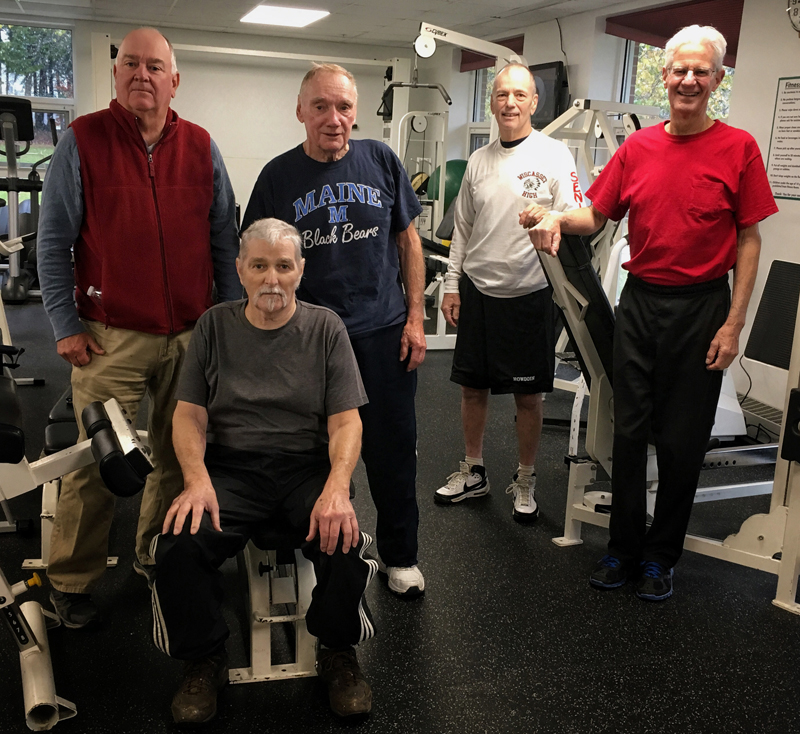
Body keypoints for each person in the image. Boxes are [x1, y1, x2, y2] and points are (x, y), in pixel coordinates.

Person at [525, 25, 778, 601]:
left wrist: (734, 322)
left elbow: (749, 239)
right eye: (678, 70)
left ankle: (662, 557)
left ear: (717, 79)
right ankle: (623, 549)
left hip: (702, 308)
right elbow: (595, 216)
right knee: (628, 431)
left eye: (701, 71)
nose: (688, 80)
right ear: (664, 76)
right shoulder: (637, 149)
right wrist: (554, 217)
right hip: (639, 302)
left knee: (683, 440)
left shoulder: (738, 148)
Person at [37, 27, 240, 627]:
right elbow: (53, 243)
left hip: (191, 331)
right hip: (110, 335)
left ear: (174, 80)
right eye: (131, 64)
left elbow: (224, 237)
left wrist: (227, 321)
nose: (142, 75)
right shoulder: (82, 141)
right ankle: (72, 578)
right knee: (96, 462)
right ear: (115, 73)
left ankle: (155, 552)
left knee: (179, 455)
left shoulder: (202, 146)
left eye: (155, 66)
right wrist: (63, 324)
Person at [151, 218, 375, 724]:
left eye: (283, 266)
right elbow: (188, 413)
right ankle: (204, 657)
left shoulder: (325, 328)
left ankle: (337, 650)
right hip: (232, 467)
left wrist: (338, 487)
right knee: (179, 543)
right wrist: (196, 480)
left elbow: (346, 421)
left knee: (345, 541)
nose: (271, 279)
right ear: (240, 270)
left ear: (300, 270)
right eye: (259, 266)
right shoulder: (214, 325)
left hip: (305, 466)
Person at [241, 63, 427, 597]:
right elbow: (255, 257)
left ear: (356, 110)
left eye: (343, 107)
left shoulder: (382, 160)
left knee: (393, 449)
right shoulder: (278, 177)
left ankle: (400, 556)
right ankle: (319, 554)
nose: (333, 118)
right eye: (320, 106)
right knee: (311, 454)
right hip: (311, 339)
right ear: (300, 112)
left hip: (384, 330)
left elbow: (408, 243)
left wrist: (416, 318)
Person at [434, 64, 583, 522]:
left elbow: (577, 216)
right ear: (492, 102)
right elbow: (461, 230)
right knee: (472, 389)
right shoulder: (479, 160)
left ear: (534, 103)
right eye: (502, 95)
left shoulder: (556, 155)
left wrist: (552, 217)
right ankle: (474, 470)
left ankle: (525, 477)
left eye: (520, 95)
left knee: (528, 397)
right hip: (479, 288)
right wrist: (453, 283)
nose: (510, 103)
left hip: (530, 291)